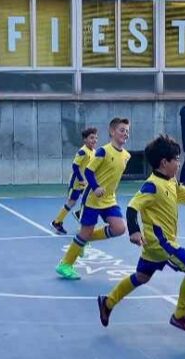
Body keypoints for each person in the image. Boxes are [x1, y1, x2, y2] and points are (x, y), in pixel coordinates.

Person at [97, 135, 185, 334]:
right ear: (164, 162)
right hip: (160, 243)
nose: (179, 163)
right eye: (176, 159)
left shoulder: (171, 182)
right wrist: (134, 231)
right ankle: (179, 314)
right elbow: (132, 208)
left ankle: (108, 302)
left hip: (157, 245)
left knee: (142, 276)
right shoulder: (152, 185)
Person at [55, 117, 130, 280]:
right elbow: (89, 171)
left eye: (127, 131)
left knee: (119, 228)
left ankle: (83, 241)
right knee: (85, 232)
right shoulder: (103, 151)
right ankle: (65, 264)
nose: (125, 133)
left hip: (110, 200)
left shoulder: (126, 155)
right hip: (93, 199)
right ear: (112, 132)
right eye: (122, 130)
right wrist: (95, 187)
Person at [50, 127, 98, 235]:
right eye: (91, 138)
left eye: (96, 138)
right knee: (71, 203)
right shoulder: (82, 151)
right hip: (77, 183)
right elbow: (75, 166)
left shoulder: (94, 152)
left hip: (86, 182)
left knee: (91, 200)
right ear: (85, 140)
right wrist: (81, 180)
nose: (94, 140)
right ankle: (57, 222)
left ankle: (79, 215)